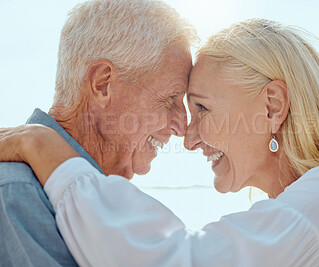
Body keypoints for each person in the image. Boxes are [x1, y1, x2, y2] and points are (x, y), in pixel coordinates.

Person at [1, 19, 319, 266]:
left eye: (201, 109)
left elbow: (182, 260)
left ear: (273, 106)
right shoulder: (17, 193)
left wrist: (47, 149)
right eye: (174, 103)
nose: (188, 138)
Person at [0, 0, 197, 265]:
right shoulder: (17, 194)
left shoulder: (103, 206)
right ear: (102, 84)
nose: (182, 127)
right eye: (172, 97)